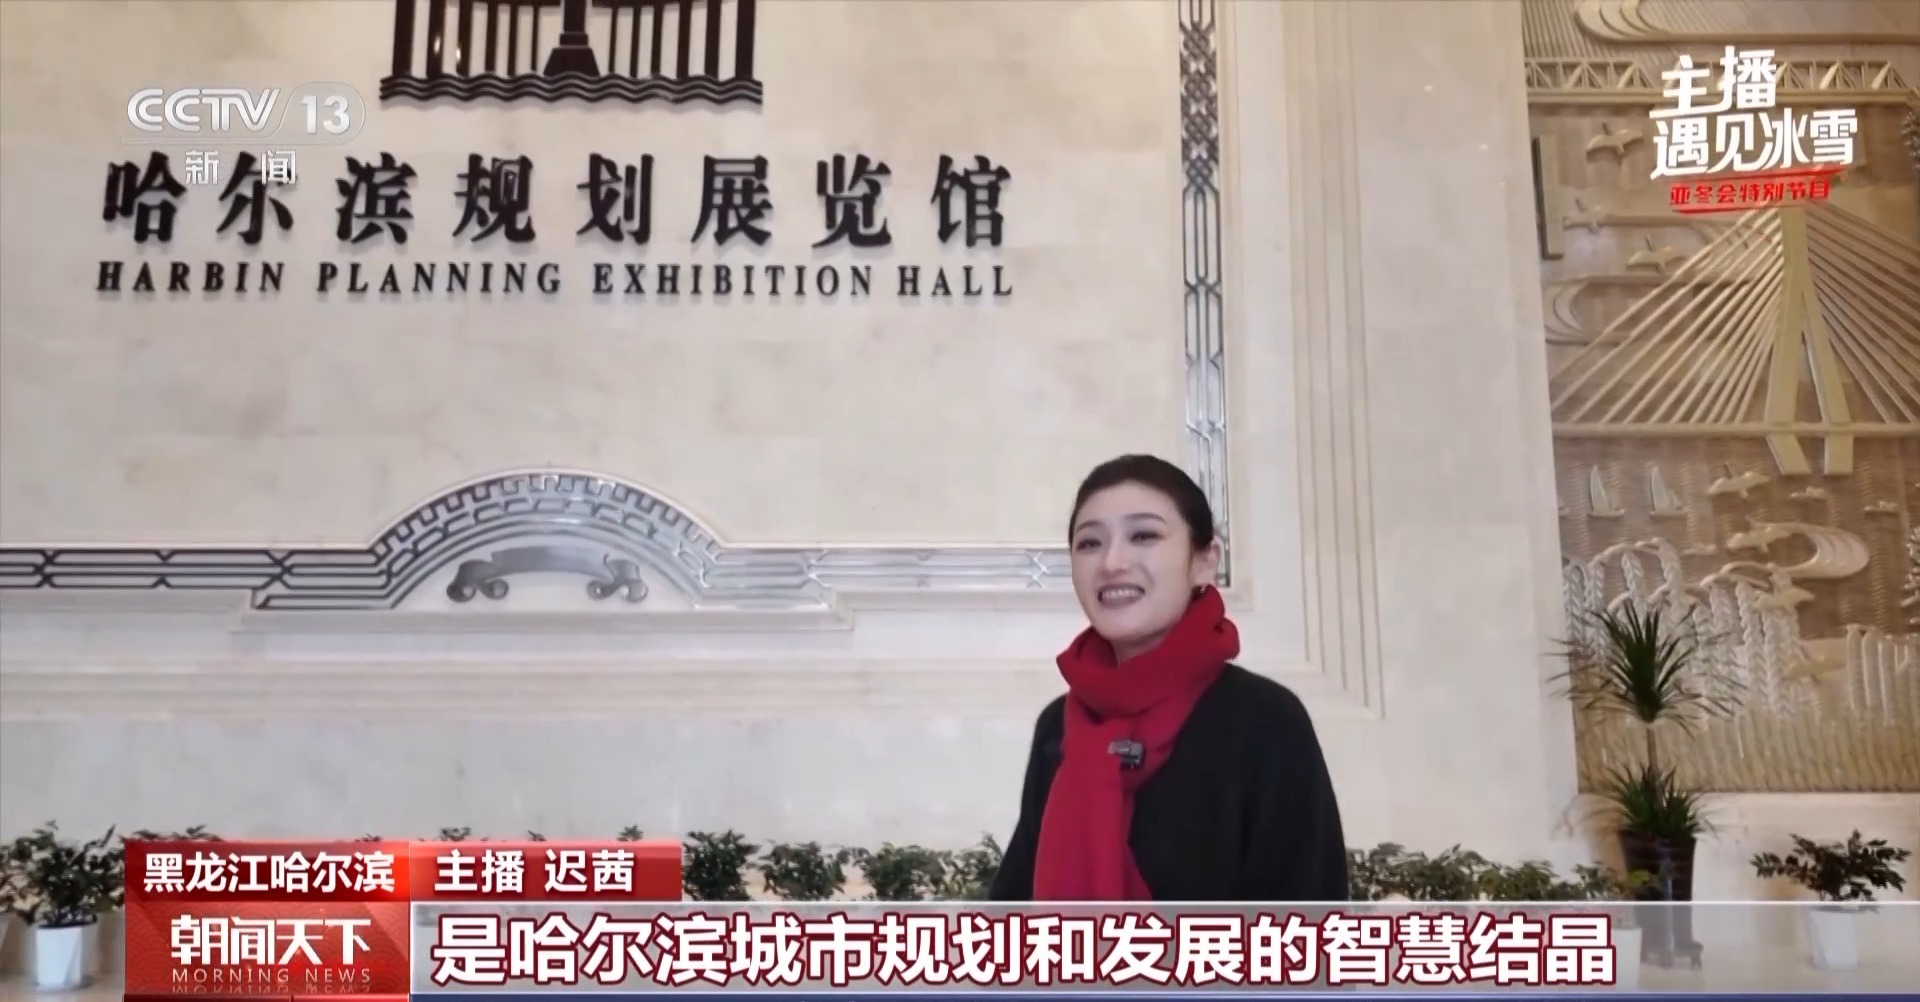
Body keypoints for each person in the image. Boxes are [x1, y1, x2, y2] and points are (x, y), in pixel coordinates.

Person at [989, 454, 1349, 902]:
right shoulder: (1058, 725)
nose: (1112, 562)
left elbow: (1309, 916)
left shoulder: (1264, 719)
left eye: (1144, 535)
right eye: (1090, 543)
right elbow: (1013, 908)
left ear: (1204, 561)